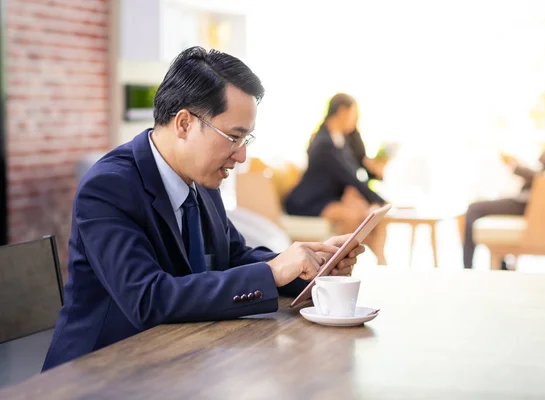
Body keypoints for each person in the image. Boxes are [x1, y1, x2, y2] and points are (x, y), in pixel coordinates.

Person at [42, 47, 365, 370]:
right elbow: (148, 298)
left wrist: (310, 268)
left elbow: (233, 257)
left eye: (246, 140)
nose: (240, 156)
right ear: (184, 124)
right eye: (233, 138)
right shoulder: (108, 187)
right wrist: (272, 272)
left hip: (177, 360)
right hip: (98, 372)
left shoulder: (202, 181)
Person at [463, 85, 545, 269]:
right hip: (537, 200)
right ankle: (502, 268)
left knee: (474, 209)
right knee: (481, 203)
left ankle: (468, 271)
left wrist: (515, 166)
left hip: (535, 204)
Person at [285, 93, 388, 264]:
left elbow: (355, 170)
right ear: (342, 111)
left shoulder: (341, 140)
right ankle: (333, 263)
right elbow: (349, 177)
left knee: (366, 213)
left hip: (328, 198)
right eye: (354, 115)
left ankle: (379, 259)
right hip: (308, 201)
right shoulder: (324, 142)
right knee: (353, 216)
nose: (355, 121)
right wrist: (380, 200)